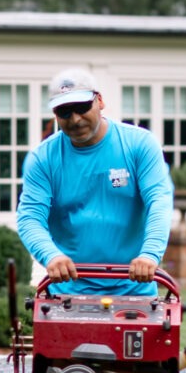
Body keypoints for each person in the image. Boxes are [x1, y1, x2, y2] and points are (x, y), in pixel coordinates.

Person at [13, 66, 174, 297]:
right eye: (64, 112)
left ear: (99, 101)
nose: (75, 119)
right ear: (55, 114)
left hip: (134, 288)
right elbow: (30, 217)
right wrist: (51, 255)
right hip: (68, 290)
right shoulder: (43, 159)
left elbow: (159, 200)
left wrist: (150, 254)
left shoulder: (140, 144)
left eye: (81, 107)